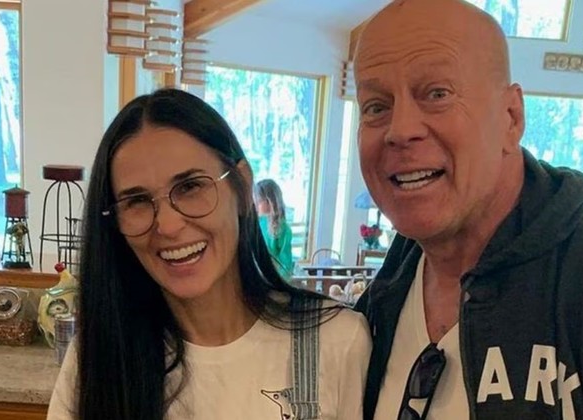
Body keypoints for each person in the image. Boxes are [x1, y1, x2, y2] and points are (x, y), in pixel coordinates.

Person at [353, 0, 583, 419]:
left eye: (437, 94)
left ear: (511, 117)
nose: (400, 130)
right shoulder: (379, 304)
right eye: (376, 106)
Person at [47, 88, 371, 420]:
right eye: (137, 201)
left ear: (242, 188)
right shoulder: (96, 359)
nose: (168, 225)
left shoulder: (338, 341)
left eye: (190, 187)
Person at [255, 178, 294, 278]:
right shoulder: (255, 223)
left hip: (273, 279)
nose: (255, 205)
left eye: (259, 201)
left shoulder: (283, 229)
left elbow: (286, 265)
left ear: (270, 201)